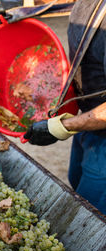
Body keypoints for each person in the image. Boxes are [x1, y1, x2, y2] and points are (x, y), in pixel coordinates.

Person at [23, 0, 106, 215]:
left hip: (102, 137)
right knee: (75, 180)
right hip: (89, 123)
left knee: (90, 211)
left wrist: (62, 127)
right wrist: (20, 11)